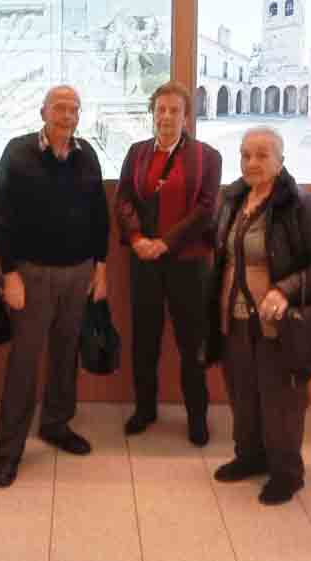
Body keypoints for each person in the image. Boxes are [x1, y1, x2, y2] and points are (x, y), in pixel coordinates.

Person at [211, 126, 311, 505]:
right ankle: (249, 457)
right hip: (234, 318)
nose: (252, 162)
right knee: (243, 393)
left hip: (278, 324)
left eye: (262, 155)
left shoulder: (300, 204)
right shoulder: (233, 198)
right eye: (245, 155)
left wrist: (285, 290)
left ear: (281, 161)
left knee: (281, 398)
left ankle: (286, 473)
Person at [0, 85, 110, 488]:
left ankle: (56, 424)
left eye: (74, 109)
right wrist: (9, 274)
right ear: (43, 111)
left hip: (78, 273)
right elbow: (0, 217)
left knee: (65, 353)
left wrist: (101, 267)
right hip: (31, 276)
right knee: (24, 362)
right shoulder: (18, 153)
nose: (67, 115)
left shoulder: (86, 154)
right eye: (59, 108)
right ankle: (9, 450)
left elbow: (99, 215)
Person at [114, 81, 221, 444]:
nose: (167, 116)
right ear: (152, 113)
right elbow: (124, 199)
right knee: (144, 339)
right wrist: (137, 239)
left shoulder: (208, 157)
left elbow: (206, 209)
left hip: (189, 264)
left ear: (187, 117)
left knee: (192, 343)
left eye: (175, 110)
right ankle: (145, 409)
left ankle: (197, 417)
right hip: (144, 260)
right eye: (161, 109)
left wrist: (165, 243)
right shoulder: (137, 153)